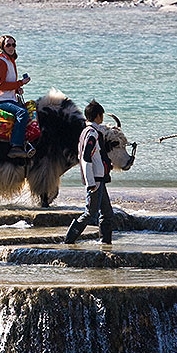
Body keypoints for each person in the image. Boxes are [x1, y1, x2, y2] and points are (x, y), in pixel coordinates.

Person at [65, 100, 114, 245]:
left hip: (99, 179)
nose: (102, 118)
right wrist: (90, 182)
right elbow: (86, 158)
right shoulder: (92, 134)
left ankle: (105, 243)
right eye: (102, 115)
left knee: (107, 213)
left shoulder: (90, 132)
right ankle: (68, 240)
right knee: (90, 213)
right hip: (95, 181)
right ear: (98, 116)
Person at [0, 35, 33, 159]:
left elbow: (5, 84)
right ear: (2, 46)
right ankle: (15, 147)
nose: (11, 47)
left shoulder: (7, 59)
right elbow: (1, 85)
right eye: (8, 45)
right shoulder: (0, 61)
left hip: (7, 98)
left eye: (14, 45)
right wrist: (21, 83)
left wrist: (16, 89)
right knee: (22, 113)